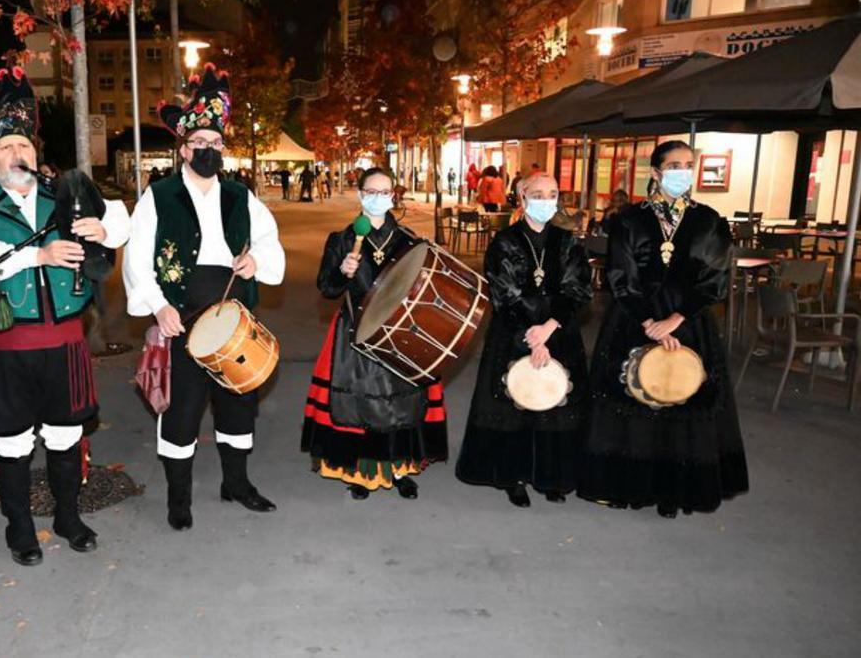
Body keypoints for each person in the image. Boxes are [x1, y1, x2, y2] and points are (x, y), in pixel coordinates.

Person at [0, 66, 131, 565]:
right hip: (10, 346)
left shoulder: (62, 195)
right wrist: (38, 255)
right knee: (11, 442)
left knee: (66, 436)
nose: (17, 155)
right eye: (5, 149)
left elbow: (120, 219)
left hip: (65, 342)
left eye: (24, 147)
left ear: (36, 155)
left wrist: (100, 225)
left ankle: (69, 516)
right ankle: (20, 527)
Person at [126, 63, 286, 531]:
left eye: (215, 144)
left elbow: (269, 240)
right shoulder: (158, 196)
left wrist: (256, 259)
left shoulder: (241, 195)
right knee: (182, 413)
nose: (208, 150)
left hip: (234, 318)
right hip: (181, 315)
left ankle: (236, 483)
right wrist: (159, 306)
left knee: (238, 405)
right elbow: (137, 258)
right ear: (182, 148)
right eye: (199, 143)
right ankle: (179, 499)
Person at [579, 140, 747, 518]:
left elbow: (714, 279)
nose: (682, 172)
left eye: (688, 165)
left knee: (680, 403)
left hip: (687, 323)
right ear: (656, 173)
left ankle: (673, 490)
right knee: (635, 405)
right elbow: (620, 276)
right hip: (635, 319)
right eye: (674, 165)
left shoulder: (709, 221)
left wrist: (675, 319)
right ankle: (632, 484)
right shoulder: (629, 219)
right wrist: (648, 321)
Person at [301, 167, 447, 500]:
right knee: (360, 404)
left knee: (401, 403)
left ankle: (399, 469)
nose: (378, 198)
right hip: (355, 333)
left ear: (393, 195)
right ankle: (360, 472)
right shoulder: (341, 239)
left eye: (385, 192)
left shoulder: (409, 239)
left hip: (399, 334)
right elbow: (326, 288)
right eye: (372, 191)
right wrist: (342, 272)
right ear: (360, 194)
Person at [456, 173, 592, 506]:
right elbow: (504, 294)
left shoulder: (568, 241)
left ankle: (551, 477)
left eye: (552, 194)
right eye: (538, 194)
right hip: (514, 332)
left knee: (556, 406)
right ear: (521, 196)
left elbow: (577, 289)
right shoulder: (504, 241)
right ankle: (512, 476)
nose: (546, 200)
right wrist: (533, 335)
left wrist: (549, 327)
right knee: (514, 406)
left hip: (558, 333)